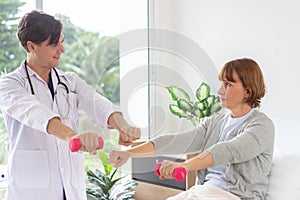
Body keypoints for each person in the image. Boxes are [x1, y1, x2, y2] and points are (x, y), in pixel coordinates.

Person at [0, 10, 141, 200]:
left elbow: (96, 102)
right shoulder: (10, 84)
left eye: (62, 42)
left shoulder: (69, 81)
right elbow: (35, 113)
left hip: (71, 189)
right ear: (32, 47)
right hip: (32, 192)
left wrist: (122, 126)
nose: (62, 49)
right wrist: (74, 137)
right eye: (54, 44)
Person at [110, 58, 275, 200]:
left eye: (228, 84)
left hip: (233, 196)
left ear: (247, 91)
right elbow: (177, 141)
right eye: (221, 84)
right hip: (202, 192)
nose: (220, 91)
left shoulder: (262, 126)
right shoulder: (215, 123)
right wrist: (129, 153)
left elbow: (228, 150)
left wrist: (184, 166)